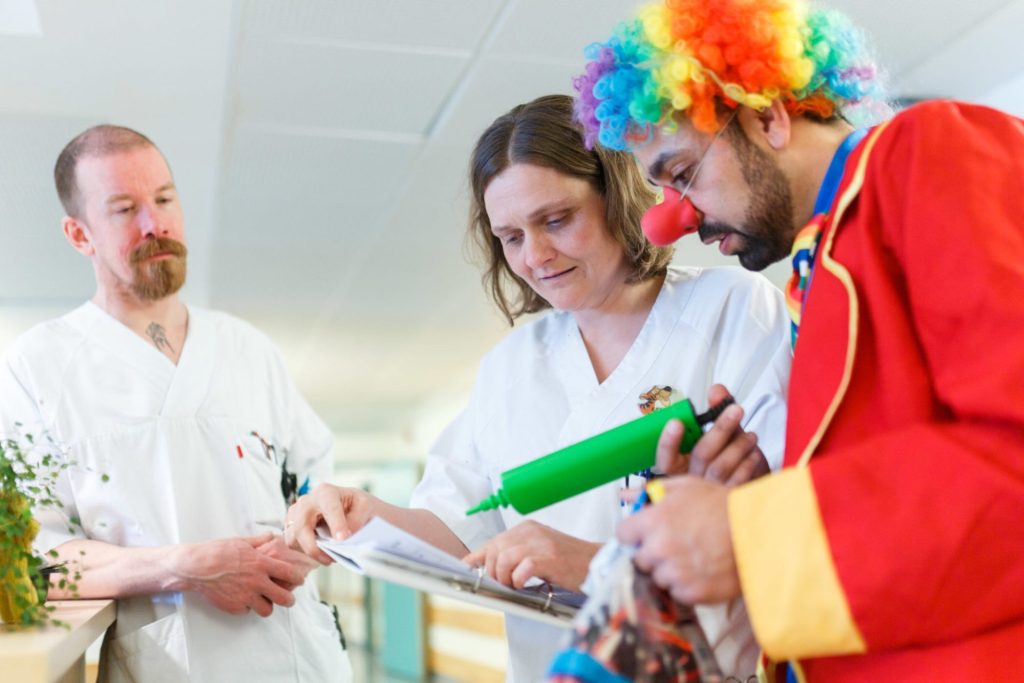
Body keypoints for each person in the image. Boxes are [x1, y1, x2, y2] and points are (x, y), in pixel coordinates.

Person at [574, 1, 1024, 680]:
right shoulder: (822, 269)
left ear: (766, 115)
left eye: (684, 173)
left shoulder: (930, 147)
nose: (673, 221)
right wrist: (751, 495)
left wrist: (754, 537)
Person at [286, 94, 792, 681]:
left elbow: (778, 523)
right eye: (510, 236)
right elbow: (456, 528)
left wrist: (590, 564)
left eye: (556, 220)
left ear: (616, 196)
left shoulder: (732, 311)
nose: (536, 255)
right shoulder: (512, 366)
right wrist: (364, 514)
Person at [0, 125, 352, 682]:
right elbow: (36, 559)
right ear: (79, 234)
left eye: (164, 199)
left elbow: (321, 492)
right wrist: (185, 568)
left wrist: (312, 540)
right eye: (123, 209)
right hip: (167, 664)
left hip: (298, 658)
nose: (155, 224)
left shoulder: (247, 348)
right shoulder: (38, 366)